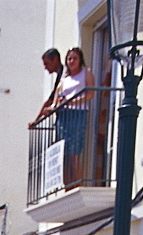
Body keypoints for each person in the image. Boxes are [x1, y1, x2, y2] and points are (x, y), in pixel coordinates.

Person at [52, 47, 95, 186]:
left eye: (74, 58)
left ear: (80, 60)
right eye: (69, 58)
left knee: (75, 151)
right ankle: (67, 186)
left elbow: (90, 93)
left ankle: (77, 184)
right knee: (64, 153)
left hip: (77, 114)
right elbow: (56, 101)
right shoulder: (64, 80)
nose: (71, 61)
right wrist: (50, 109)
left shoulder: (85, 73)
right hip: (64, 117)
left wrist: (72, 101)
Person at [28, 47, 63, 127]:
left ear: (55, 59)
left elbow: (50, 100)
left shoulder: (63, 75)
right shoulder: (60, 74)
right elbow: (51, 98)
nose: (45, 67)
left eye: (46, 63)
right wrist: (36, 120)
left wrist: (36, 120)